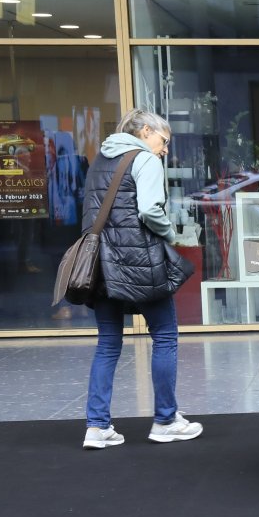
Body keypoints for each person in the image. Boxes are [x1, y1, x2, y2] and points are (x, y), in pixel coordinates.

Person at [82, 108, 203, 450]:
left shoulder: (99, 160)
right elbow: (149, 210)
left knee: (108, 343)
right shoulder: (144, 159)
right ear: (146, 131)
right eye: (164, 140)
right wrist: (172, 234)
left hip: (101, 265)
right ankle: (165, 420)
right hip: (140, 262)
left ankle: (97, 427)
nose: (165, 149)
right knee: (164, 337)